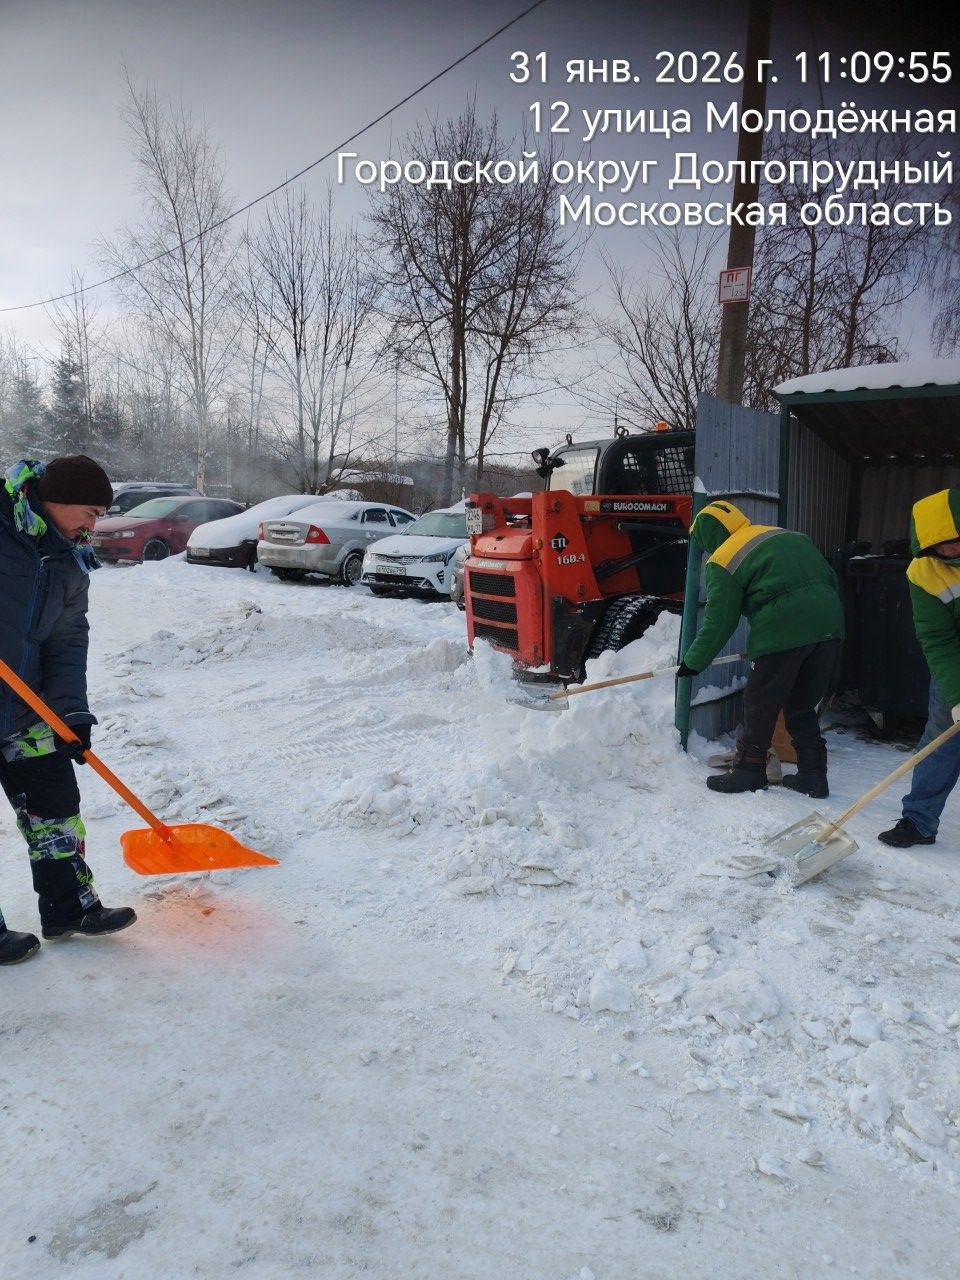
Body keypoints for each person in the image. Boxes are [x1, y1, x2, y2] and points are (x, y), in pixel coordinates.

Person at [0, 456, 136, 965]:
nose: (94, 525)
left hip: (28, 707)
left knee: (55, 806)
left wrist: (71, 714)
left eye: (101, 515)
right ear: (56, 499)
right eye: (91, 511)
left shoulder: (71, 557)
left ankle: (68, 908)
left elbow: (66, 638)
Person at [677, 499, 844, 795]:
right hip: (829, 624)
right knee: (802, 704)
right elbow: (829, 578)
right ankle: (813, 776)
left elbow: (719, 622)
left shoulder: (724, 558)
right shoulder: (786, 535)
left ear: (707, 537)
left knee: (760, 704)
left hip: (782, 628)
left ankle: (748, 771)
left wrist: (693, 662)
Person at [879, 489, 960, 849]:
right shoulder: (922, 571)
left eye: (954, 541)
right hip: (955, 656)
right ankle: (919, 821)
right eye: (939, 545)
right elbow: (938, 639)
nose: (949, 551)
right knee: (940, 737)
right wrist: (957, 696)